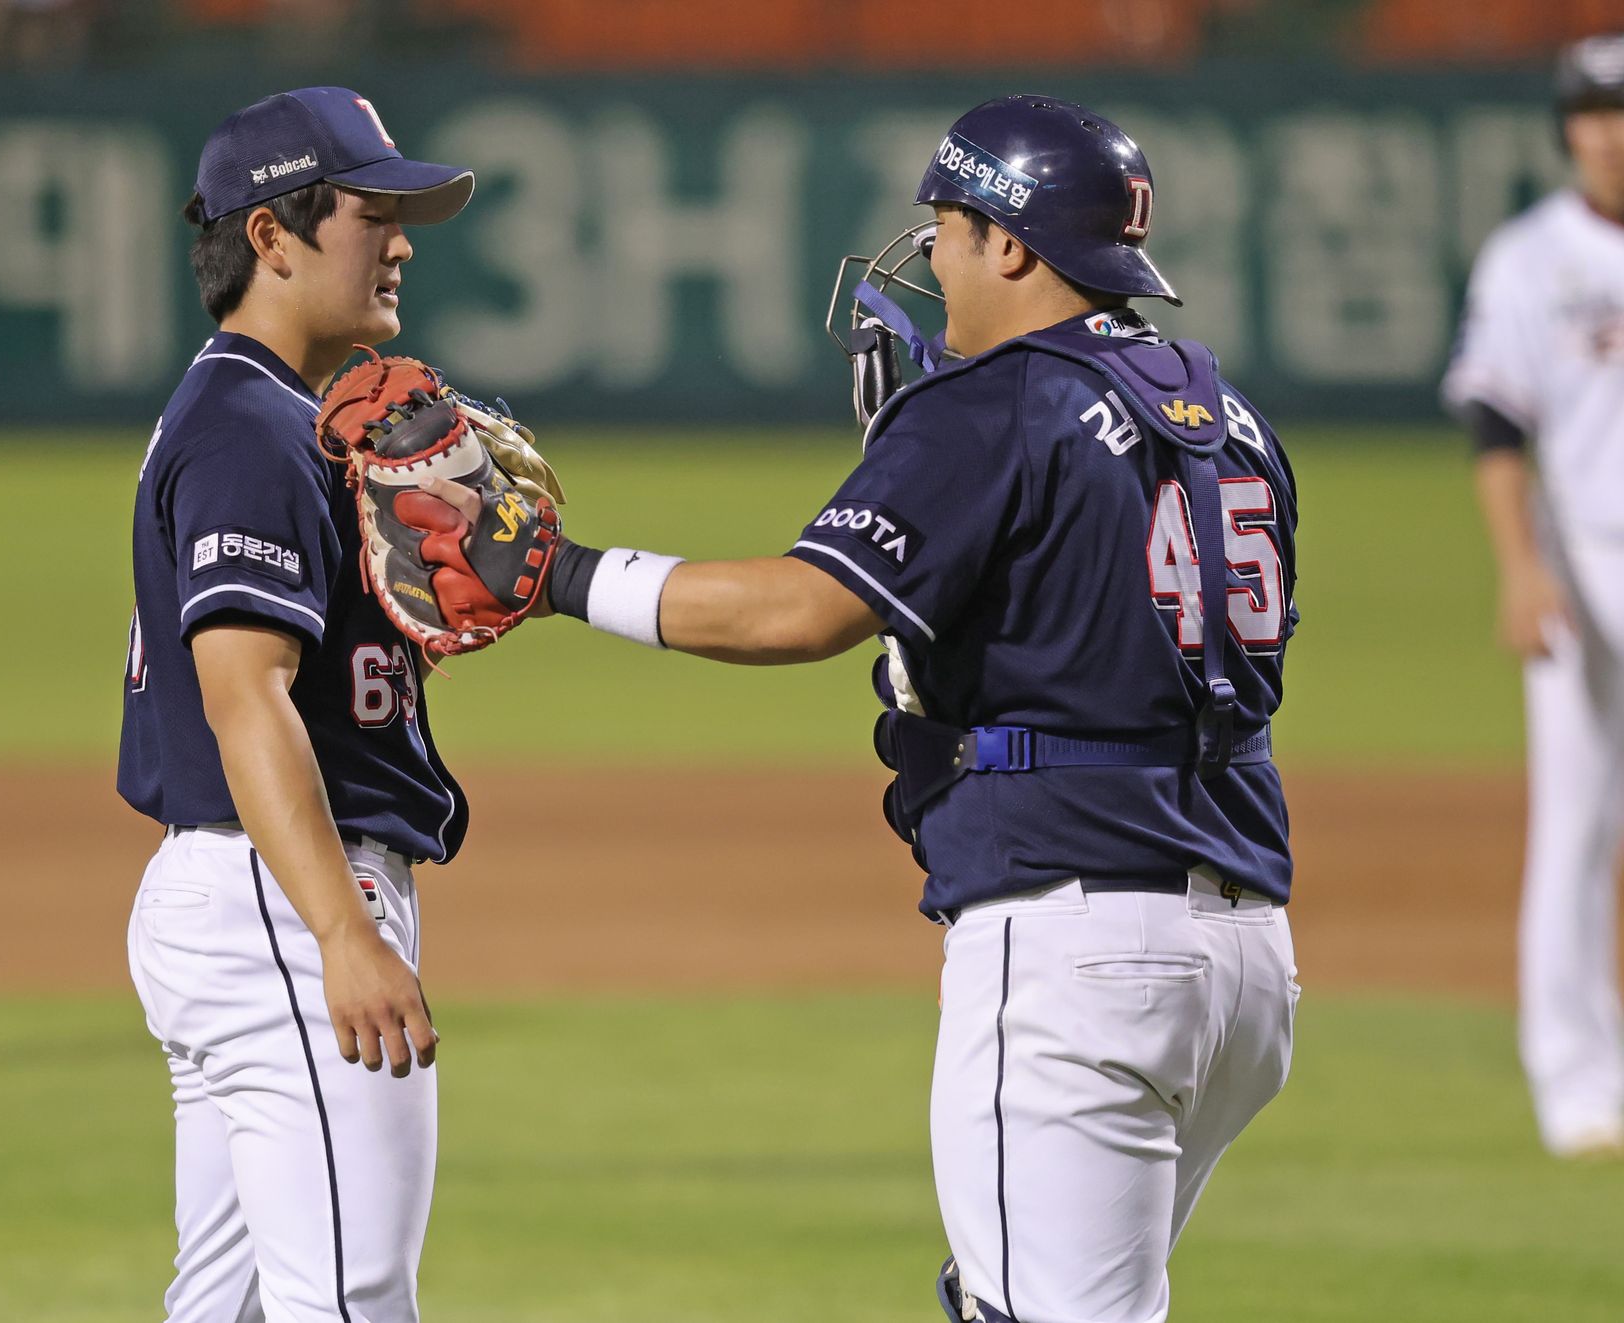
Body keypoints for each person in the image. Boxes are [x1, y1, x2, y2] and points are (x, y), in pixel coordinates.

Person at [447, 95, 1300, 1321]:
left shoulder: (994, 402)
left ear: (1011, 245)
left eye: (948, 224)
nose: (933, 254)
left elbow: (795, 612)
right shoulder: (1231, 420)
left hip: (1072, 948)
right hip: (1244, 963)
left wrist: (561, 575)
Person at [117, 87, 474, 1321]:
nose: (402, 240)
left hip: (240, 895)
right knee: (348, 1300)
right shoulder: (248, 431)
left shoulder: (274, 416)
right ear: (272, 235)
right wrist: (339, 933)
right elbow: (244, 699)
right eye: (374, 211)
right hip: (279, 899)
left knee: (230, 1305)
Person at [1445, 32, 1624, 1160]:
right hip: (1581, 565)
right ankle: (1574, 1087)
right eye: (1590, 114)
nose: (1607, 134)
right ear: (1565, 130)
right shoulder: (1527, 259)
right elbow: (1496, 425)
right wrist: (1516, 566)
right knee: (1573, 825)